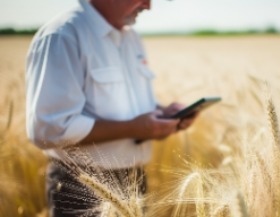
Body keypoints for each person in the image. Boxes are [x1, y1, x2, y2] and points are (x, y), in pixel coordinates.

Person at [25, 0, 196, 216]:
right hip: (80, 187)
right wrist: (134, 128)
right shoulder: (62, 36)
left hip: (135, 180)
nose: (148, 6)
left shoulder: (131, 37)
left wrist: (164, 115)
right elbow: (50, 130)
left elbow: (131, 106)